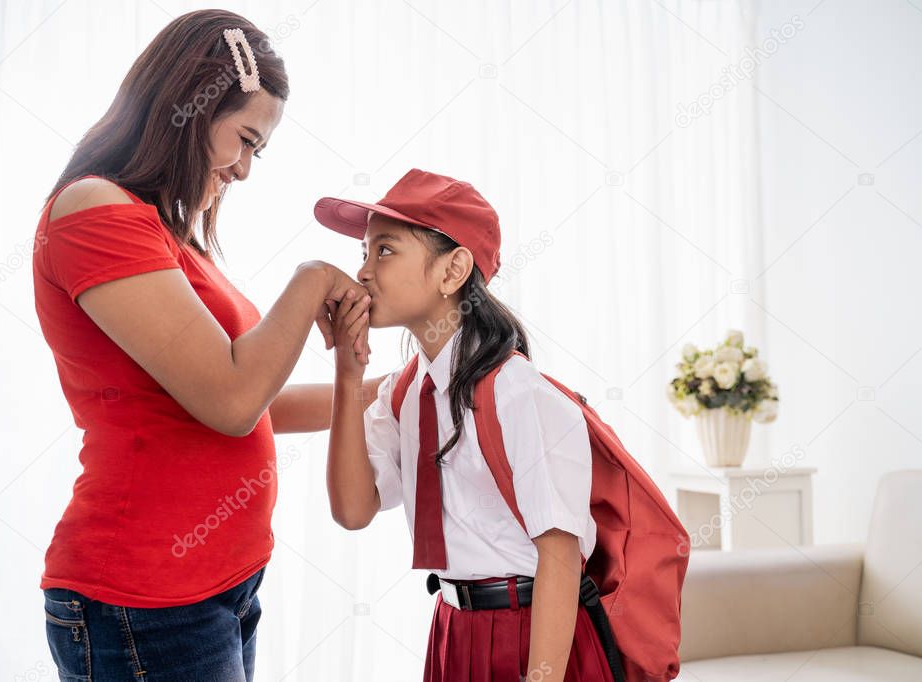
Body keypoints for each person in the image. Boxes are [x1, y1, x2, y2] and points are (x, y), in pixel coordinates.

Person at [33, 10, 374, 680]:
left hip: (221, 589)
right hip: (147, 601)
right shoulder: (95, 210)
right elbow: (231, 401)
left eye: (259, 150)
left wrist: (389, 392)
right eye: (245, 140)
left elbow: (249, 406)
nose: (246, 169)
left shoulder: (168, 238)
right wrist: (308, 284)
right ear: (187, 109)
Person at [320, 169, 614, 681]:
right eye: (362, 254)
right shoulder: (406, 393)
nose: (364, 272)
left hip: (533, 634)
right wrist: (349, 374)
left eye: (384, 251)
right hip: (452, 628)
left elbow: (561, 559)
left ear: (453, 270)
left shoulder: (521, 395)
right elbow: (352, 509)